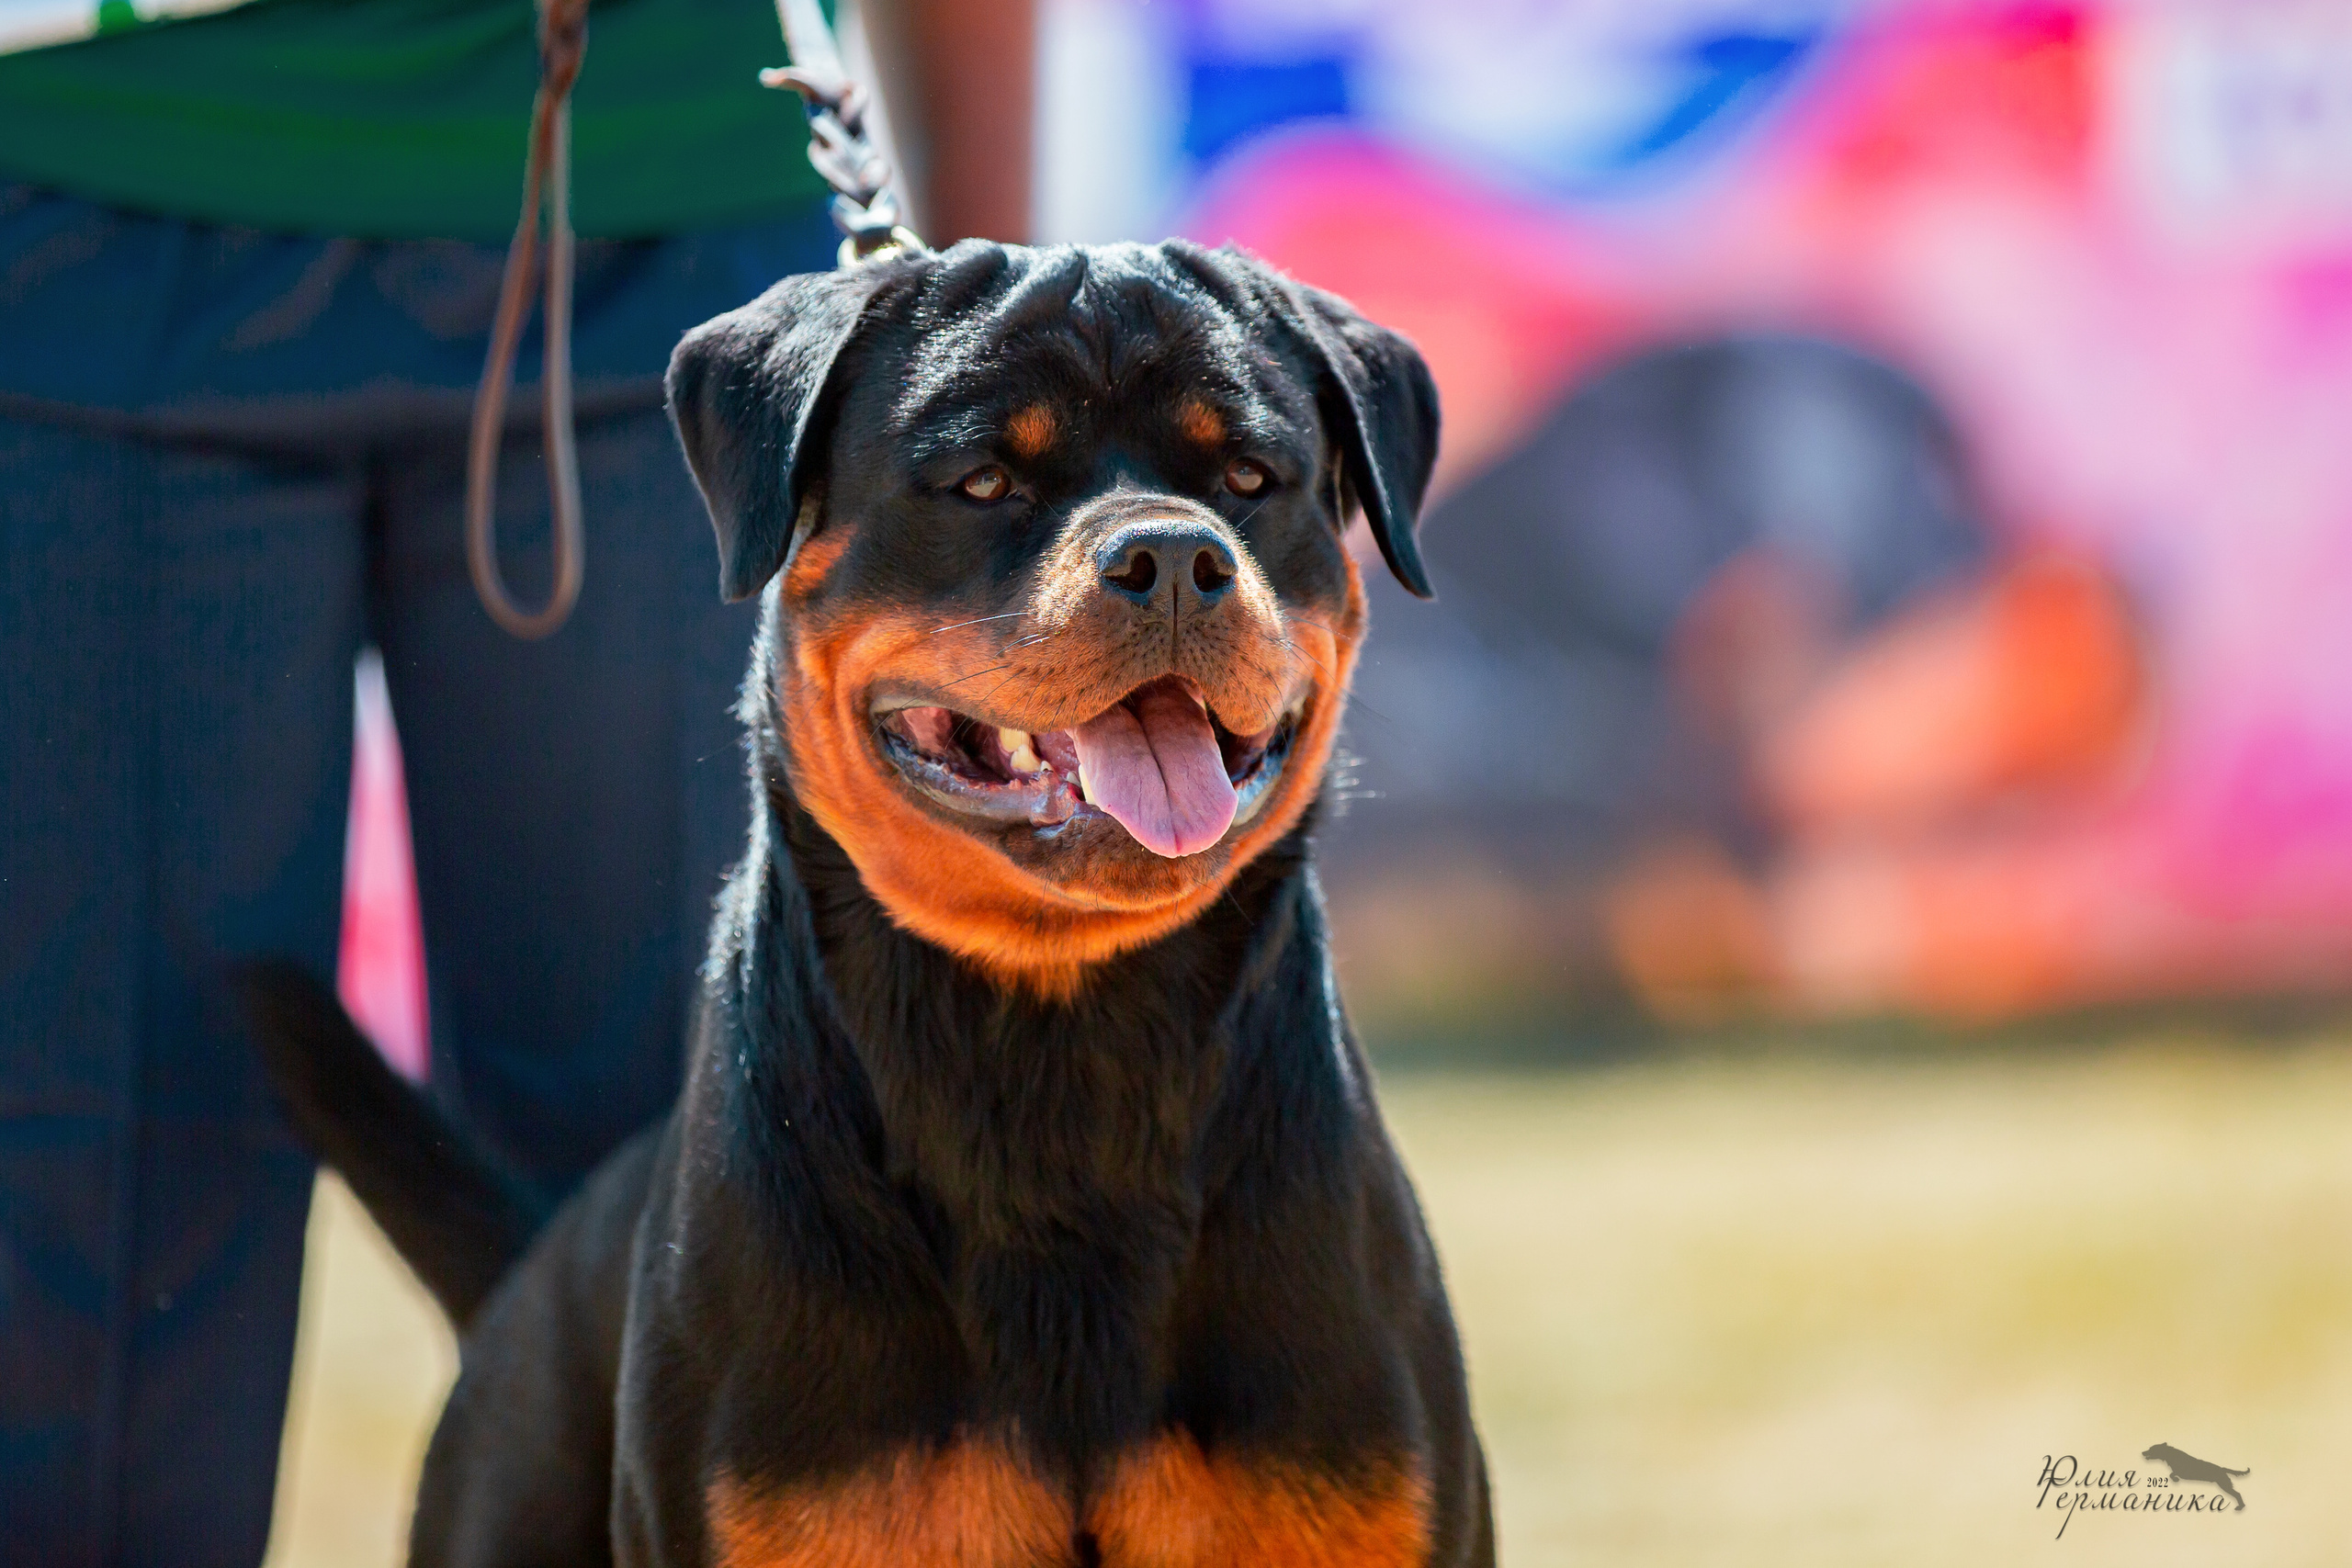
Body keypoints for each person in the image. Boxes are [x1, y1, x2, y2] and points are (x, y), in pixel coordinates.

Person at [0, 1, 1032, 1561]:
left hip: (678, 232)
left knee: (726, 1195)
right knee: (96, 1206)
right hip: (82, 193)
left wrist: (989, 341)